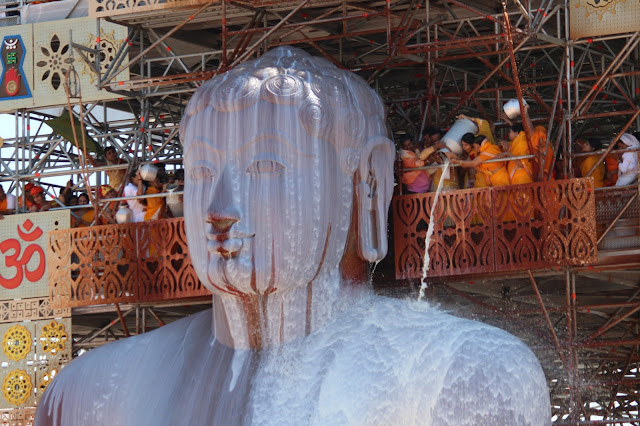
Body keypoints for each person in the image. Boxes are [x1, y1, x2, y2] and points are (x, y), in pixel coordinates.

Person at [36, 46, 550, 426]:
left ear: (367, 185)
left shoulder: (460, 376)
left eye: (264, 165)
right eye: (200, 172)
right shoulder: (90, 394)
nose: (219, 210)